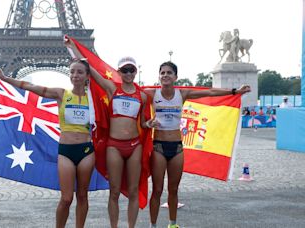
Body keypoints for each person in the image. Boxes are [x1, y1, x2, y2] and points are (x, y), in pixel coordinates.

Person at [144, 61, 251, 228]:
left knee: (173, 190)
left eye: (169, 73)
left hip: (177, 148)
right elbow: (130, 94)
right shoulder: (151, 93)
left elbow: (210, 91)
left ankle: (172, 224)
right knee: (157, 190)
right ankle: (153, 225)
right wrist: (146, 123)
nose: (165, 75)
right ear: (159, 76)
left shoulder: (183, 93)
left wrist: (235, 91)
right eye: (162, 72)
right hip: (158, 146)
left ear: (175, 77)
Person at [0, 59, 95, 228]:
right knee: (66, 198)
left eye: (80, 72)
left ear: (87, 76)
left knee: (82, 196)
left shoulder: (93, 99)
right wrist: (5, 78)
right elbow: (30, 87)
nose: (75, 75)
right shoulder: (62, 94)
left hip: (86, 151)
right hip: (66, 151)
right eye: (72, 72)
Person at [65, 38, 149, 228]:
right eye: (124, 70)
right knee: (114, 191)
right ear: (119, 72)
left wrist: (149, 123)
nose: (128, 73)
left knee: (134, 190)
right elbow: (91, 72)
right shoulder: (112, 88)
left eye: (131, 70)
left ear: (136, 72)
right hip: (114, 145)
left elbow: (143, 123)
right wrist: (73, 49)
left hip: (134, 145)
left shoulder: (143, 95)